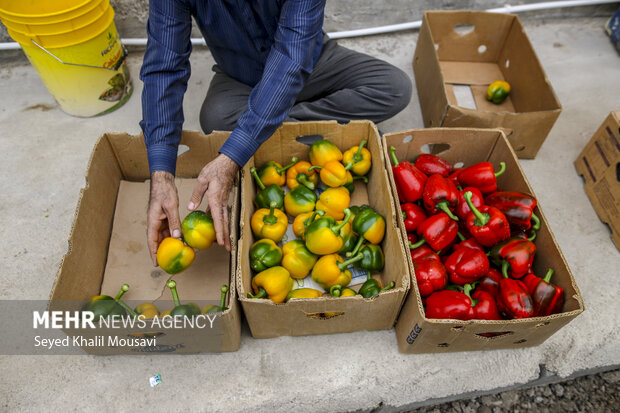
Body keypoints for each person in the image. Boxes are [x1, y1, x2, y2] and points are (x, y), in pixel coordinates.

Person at [140, 0, 412, 265]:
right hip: (242, 77)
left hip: (311, 62)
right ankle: (278, 120)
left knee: (394, 87)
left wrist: (236, 151)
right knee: (214, 119)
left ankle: (267, 121)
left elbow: (292, 58)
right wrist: (161, 175)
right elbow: (164, 66)